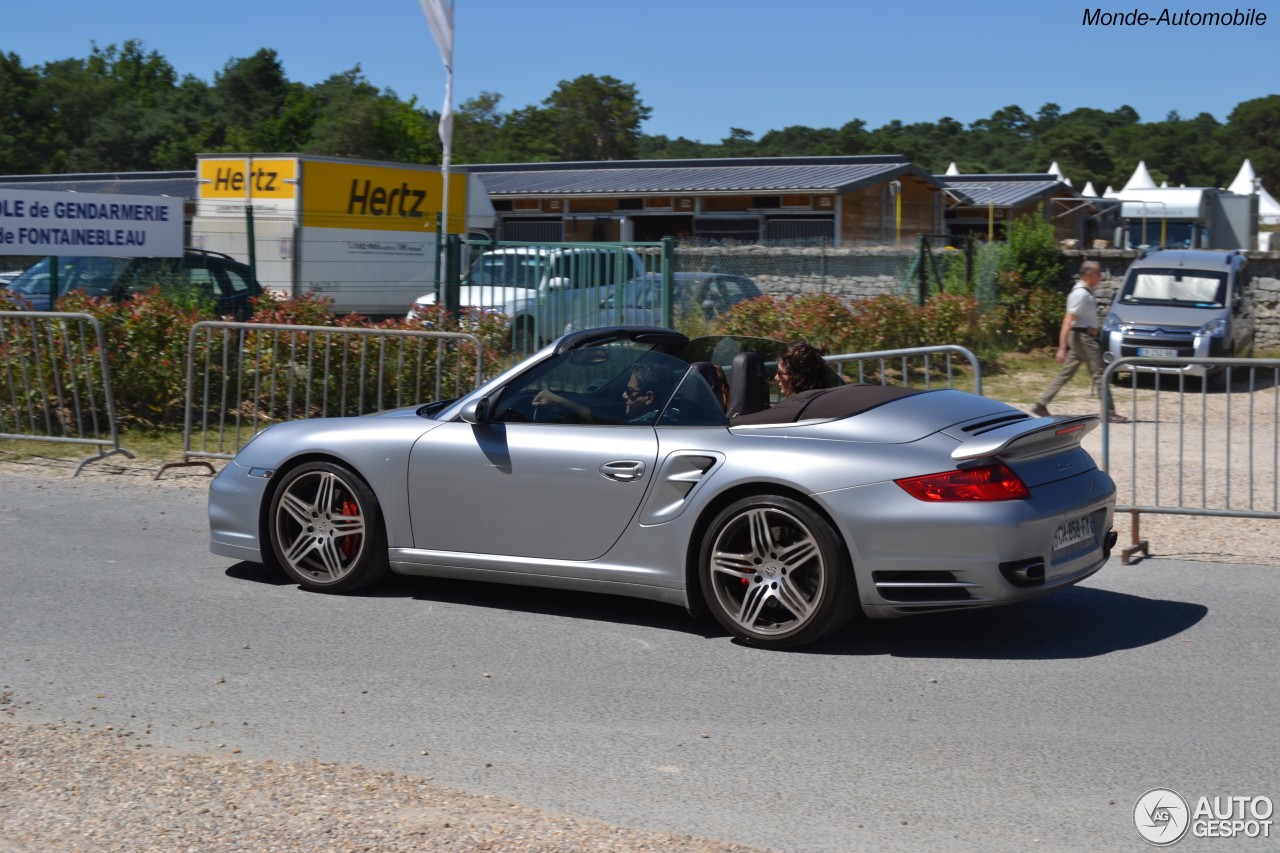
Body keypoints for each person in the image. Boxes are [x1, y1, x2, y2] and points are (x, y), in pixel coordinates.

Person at [1032, 260, 1126, 423]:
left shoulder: (1086, 292)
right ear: (1089, 275)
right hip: (1083, 338)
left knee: (1066, 373)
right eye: (1098, 273)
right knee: (1100, 374)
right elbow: (1068, 320)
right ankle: (1109, 412)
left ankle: (1041, 404)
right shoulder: (1081, 294)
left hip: (1081, 337)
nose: (1100, 276)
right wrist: (1062, 347)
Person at [533, 361, 674, 424]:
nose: (624, 395)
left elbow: (607, 423)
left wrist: (560, 402)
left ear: (648, 398)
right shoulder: (654, 417)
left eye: (630, 392)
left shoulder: (650, 424)